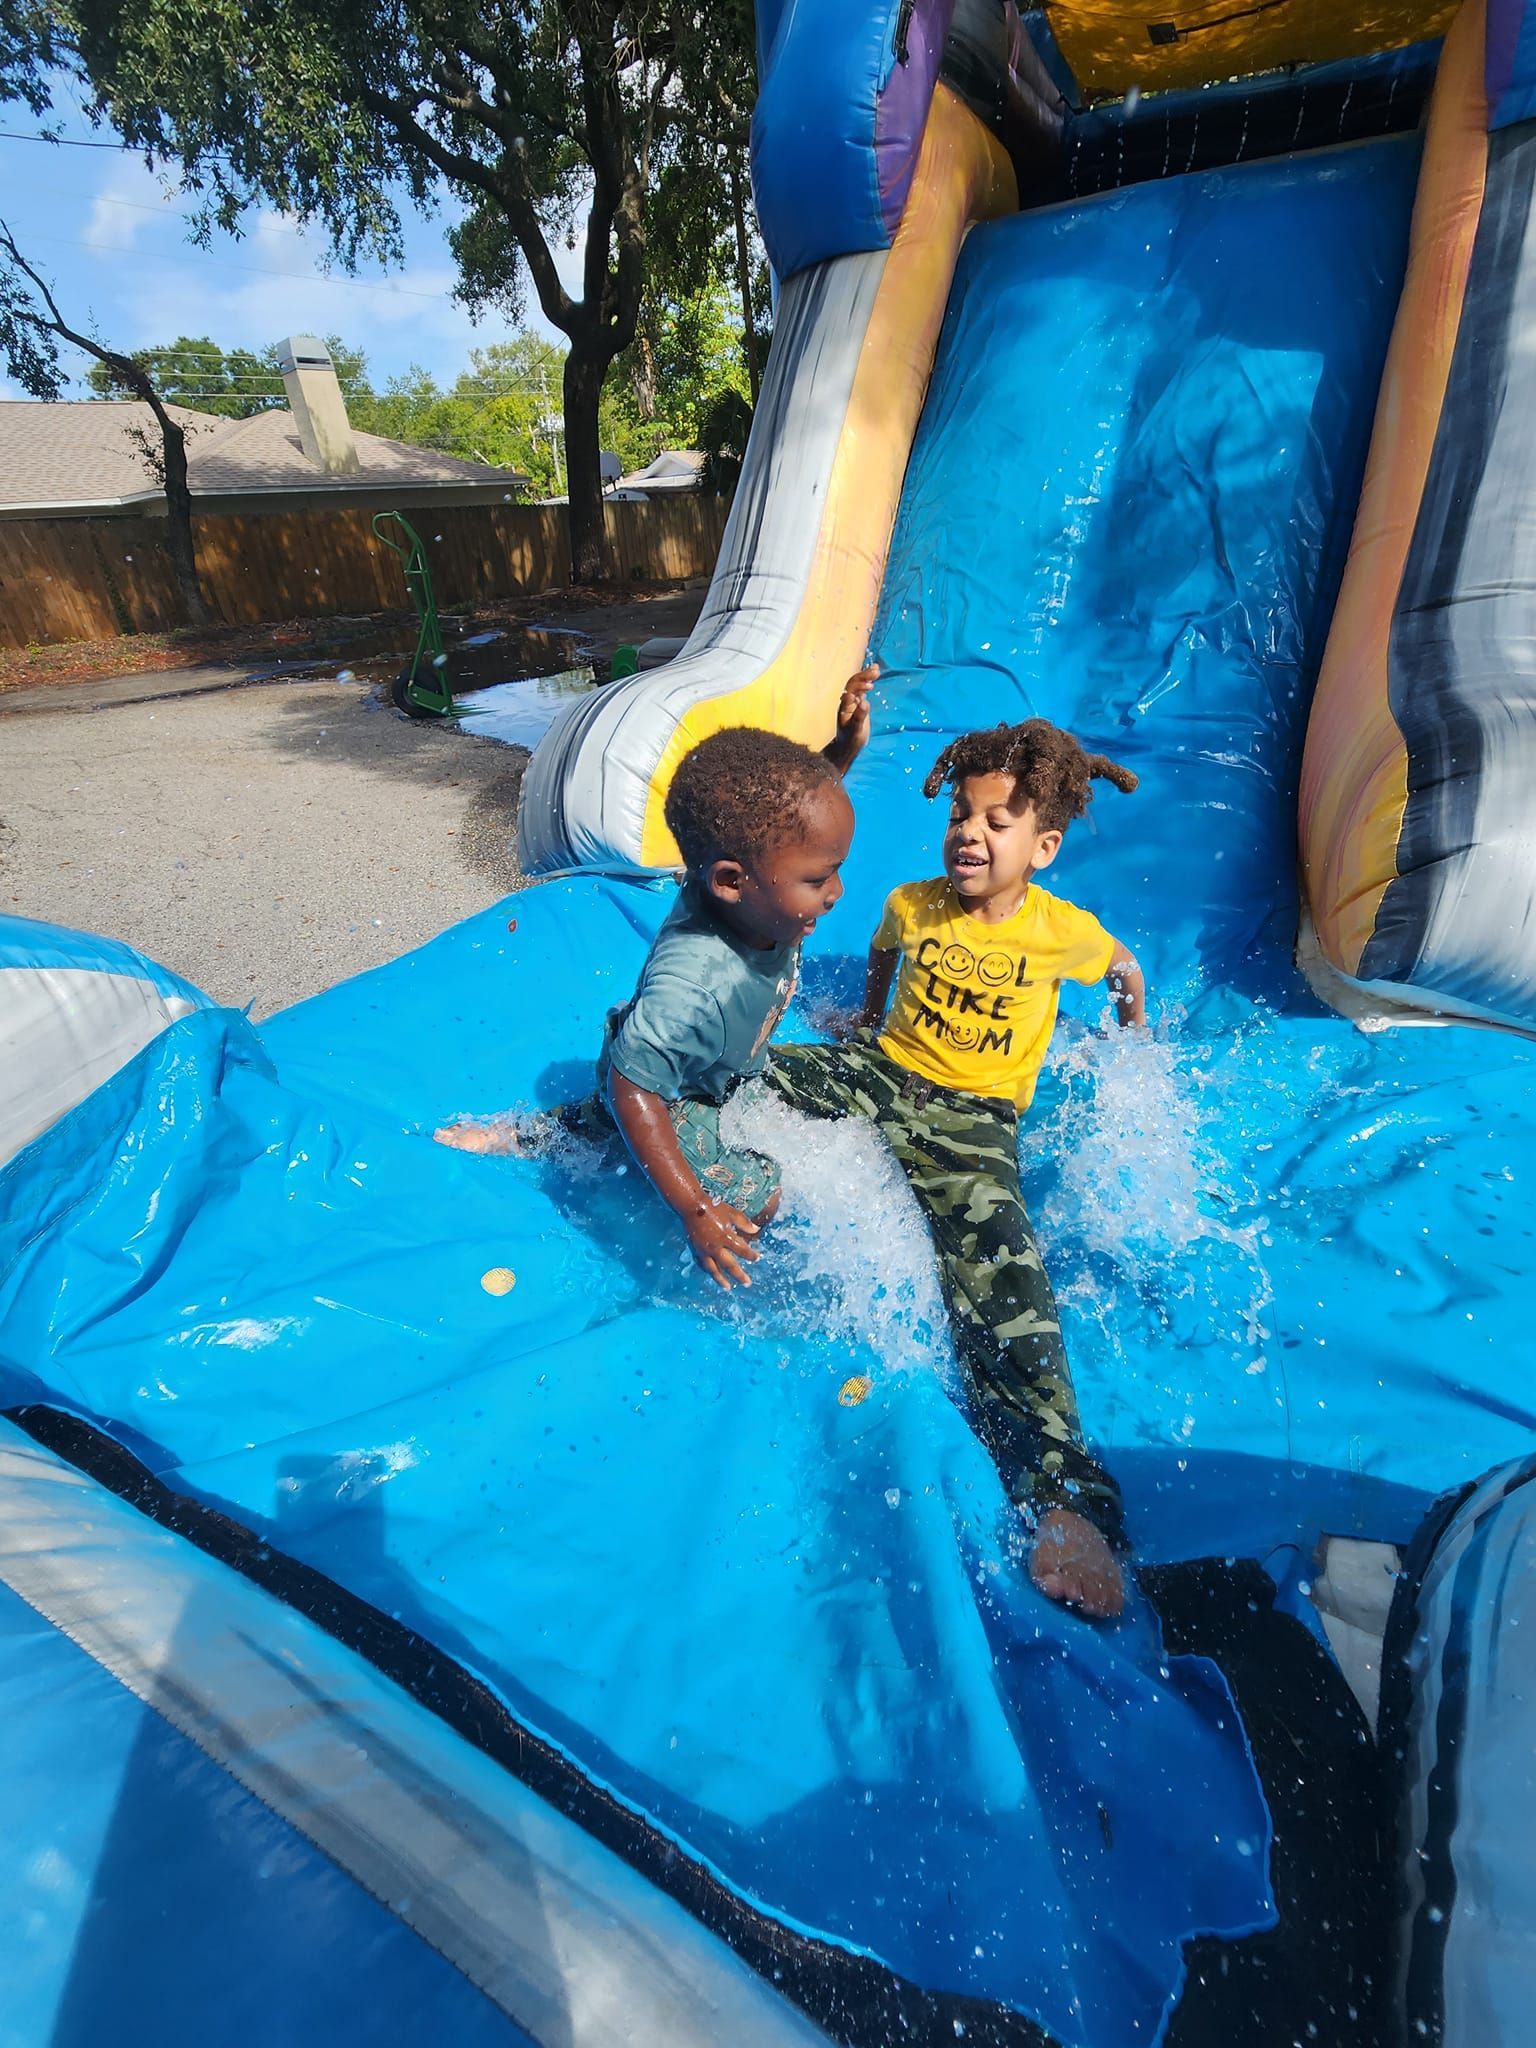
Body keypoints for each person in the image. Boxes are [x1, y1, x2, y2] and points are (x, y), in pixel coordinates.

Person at [760, 719, 1145, 1619]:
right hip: (885, 1073)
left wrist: (1134, 1045)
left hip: (975, 1125)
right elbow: (886, 959)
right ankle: (585, 1122)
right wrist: (864, 1017)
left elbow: (1125, 969)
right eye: (962, 815)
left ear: (1043, 847)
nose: (970, 833)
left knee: (1009, 1286)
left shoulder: (1063, 932)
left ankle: (1064, 1502)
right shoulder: (910, 901)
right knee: (739, 1070)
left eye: (998, 821)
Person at [435, 669, 876, 1291]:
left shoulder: (745, 875)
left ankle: (519, 1134)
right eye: (818, 880)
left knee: (607, 1116)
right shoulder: (694, 984)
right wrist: (698, 1212)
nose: (837, 893)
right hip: (673, 1097)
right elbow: (633, 1086)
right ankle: (546, 1142)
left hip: (670, 1054)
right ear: (729, 882)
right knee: (755, 1194)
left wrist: (841, 751)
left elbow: (779, 827)